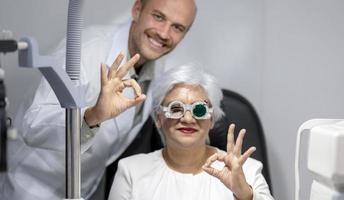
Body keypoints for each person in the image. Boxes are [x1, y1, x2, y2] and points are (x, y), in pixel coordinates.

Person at [0, 0, 197, 199]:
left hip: (83, 187)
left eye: (177, 27)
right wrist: (93, 116)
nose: (164, 33)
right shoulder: (88, 48)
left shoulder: (156, 67)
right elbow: (34, 125)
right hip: (33, 187)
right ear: (137, 10)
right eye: (158, 16)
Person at [108, 65, 274, 200]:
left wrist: (245, 195)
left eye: (199, 109)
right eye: (176, 108)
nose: (188, 118)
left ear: (212, 120)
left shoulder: (246, 171)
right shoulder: (131, 171)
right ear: (159, 118)